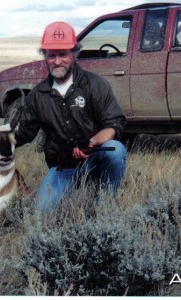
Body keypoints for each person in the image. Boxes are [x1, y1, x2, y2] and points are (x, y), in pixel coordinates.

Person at [15, 21, 127, 211]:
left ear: (74, 54)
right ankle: (70, 189)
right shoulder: (37, 95)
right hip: (62, 168)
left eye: (63, 54)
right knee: (40, 214)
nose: (57, 61)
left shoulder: (95, 84)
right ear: (44, 56)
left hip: (94, 159)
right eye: (51, 55)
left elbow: (114, 124)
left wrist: (91, 144)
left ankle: (104, 204)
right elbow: (24, 134)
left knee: (115, 150)